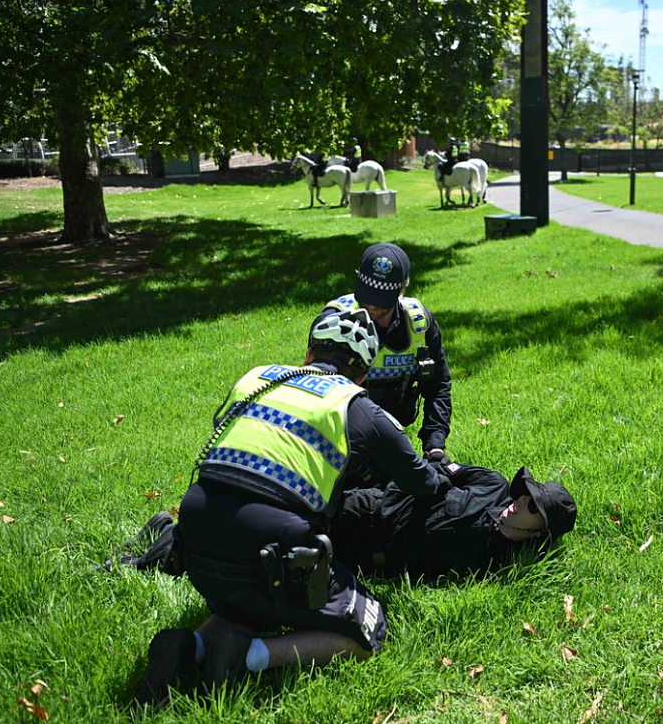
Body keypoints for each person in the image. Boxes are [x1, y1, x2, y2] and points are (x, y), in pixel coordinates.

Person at [134, 308, 449, 706]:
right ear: (364, 374)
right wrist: (440, 471)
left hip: (195, 537)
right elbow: (419, 482)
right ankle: (249, 658)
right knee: (368, 631)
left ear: (308, 353)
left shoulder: (255, 377)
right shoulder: (357, 406)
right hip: (275, 547)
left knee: (250, 599)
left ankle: (191, 646)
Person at [320, 242, 452, 469]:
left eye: (381, 304)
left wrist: (435, 444)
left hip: (392, 433)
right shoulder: (334, 322)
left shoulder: (419, 324)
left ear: (403, 289)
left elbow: (438, 384)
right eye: (366, 299)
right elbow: (318, 392)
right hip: (341, 437)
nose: (371, 308)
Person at [332, 463, 577, 578]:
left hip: (368, 566)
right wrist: (439, 483)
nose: (522, 502)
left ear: (538, 533)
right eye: (527, 493)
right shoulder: (492, 485)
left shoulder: (498, 566)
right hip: (367, 511)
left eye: (533, 506)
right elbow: (437, 468)